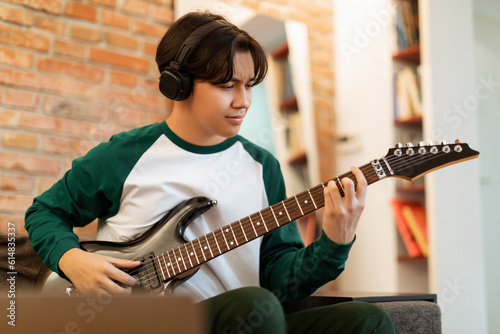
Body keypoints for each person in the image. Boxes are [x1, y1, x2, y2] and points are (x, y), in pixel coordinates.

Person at [25, 10, 394, 333]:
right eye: (226, 85)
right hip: (150, 323)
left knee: (368, 320)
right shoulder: (125, 154)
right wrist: (72, 260)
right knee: (252, 305)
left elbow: (282, 283)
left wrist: (335, 241)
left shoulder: (263, 166)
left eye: (249, 86)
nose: (244, 101)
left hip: (245, 323)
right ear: (178, 84)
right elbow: (44, 211)